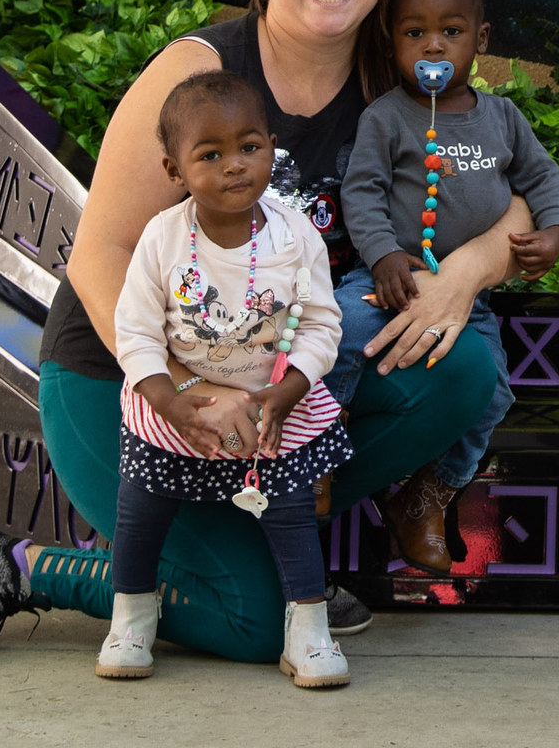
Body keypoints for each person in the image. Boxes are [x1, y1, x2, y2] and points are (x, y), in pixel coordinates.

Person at [0, 0, 530, 668]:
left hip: (271, 395)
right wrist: (179, 390)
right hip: (126, 384)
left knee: (460, 371)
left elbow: (514, 192)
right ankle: (21, 564)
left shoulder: (401, 78)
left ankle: (263, 553)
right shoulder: (200, 74)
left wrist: (468, 270)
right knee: (251, 622)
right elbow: (99, 253)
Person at [97, 69, 354, 687]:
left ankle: (308, 629)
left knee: (291, 515)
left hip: (273, 409)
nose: (235, 165)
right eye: (210, 155)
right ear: (175, 172)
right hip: (177, 410)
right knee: (142, 513)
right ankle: (131, 616)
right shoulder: (163, 239)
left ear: (272, 147)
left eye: (250, 147)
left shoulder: (295, 236)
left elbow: (322, 322)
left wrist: (290, 389)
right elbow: (134, 333)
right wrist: (172, 400)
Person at [337, 0, 559, 570]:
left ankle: (427, 498)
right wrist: (385, 255)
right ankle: (313, 451)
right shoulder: (385, 117)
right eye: (414, 32)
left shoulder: (502, 118)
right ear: (391, 43)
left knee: (491, 396)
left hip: (474, 303)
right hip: (387, 283)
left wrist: (554, 233)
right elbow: (360, 193)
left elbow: (542, 177)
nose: (433, 45)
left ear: (481, 39)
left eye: (451, 30)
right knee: (332, 335)